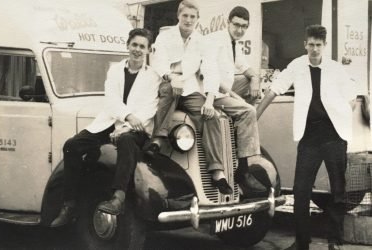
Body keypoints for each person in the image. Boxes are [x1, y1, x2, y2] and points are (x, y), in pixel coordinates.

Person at [256, 25, 356, 250]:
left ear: (324, 46)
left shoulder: (335, 68)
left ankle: (335, 241)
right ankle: (302, 242)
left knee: (338, 189)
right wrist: (255, 116)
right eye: (310, 44)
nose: (314, 49)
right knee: (301, 191)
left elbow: (351, 97)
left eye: (318, 45)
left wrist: (341, 117)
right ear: (305, 44)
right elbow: (275, 89)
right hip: (309, 136)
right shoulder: (297, 66)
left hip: (334, 135)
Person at [50, 28, 161, 226]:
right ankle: (69, 205)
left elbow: (150, 108)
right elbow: (111, 100)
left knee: (127, 141)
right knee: (72, 145)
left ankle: (118, 197)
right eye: (134, 45)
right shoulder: (115, 70)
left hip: (138, 128)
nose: (137, 50)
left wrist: (126, 127)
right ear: (127, 46)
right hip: (111, 121)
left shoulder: (153, 77)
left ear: (148, 51)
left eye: (142, 47)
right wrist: (126, 116)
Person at [147, 0, 237, 194]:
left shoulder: (201, 40)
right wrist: (171, 78)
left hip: (189, 88)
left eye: (192, 17)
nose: (188, 20)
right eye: (185, 15)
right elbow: (158, 61)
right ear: (178, 16)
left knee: (211, 116)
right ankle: (158, 139)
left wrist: (210, 100)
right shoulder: (164, 37)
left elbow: (210, 69)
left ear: (197, 19)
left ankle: (217, 172)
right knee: (169, 91)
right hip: (168, 82)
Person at [206, 6, 261, 105]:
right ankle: (245, 111)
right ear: (228, 22)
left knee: (251, 82)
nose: (240, 30)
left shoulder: (234, 44)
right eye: (236, 25)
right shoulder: (215, 40)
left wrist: (255, 78)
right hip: (210, 92)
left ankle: (239, 114)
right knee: (248, 110)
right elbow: (210, 76)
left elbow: (245, 67)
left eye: (244, 26)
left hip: (225, 89)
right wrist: (235, 96)